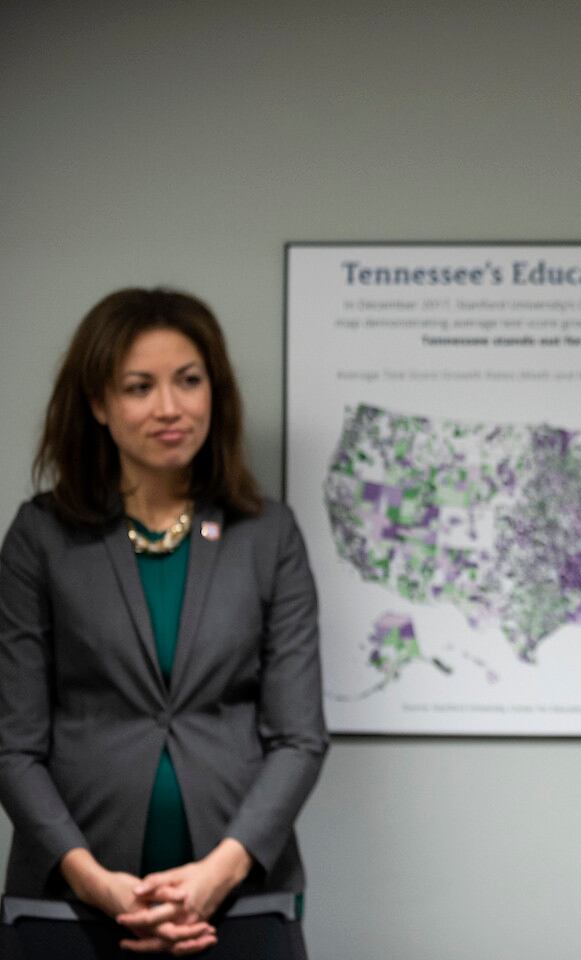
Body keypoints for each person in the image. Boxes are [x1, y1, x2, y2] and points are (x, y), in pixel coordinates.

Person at [0, 289, 328, 958]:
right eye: (139, 387)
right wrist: (93, 881)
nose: (170, 407)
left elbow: (299, 737)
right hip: (70, 908)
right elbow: (13, 745)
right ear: (98, 404)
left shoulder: (268, 535)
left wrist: (217, 875)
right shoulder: (41, 536)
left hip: (239, 903)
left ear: (215, 392)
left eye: (189, 380)